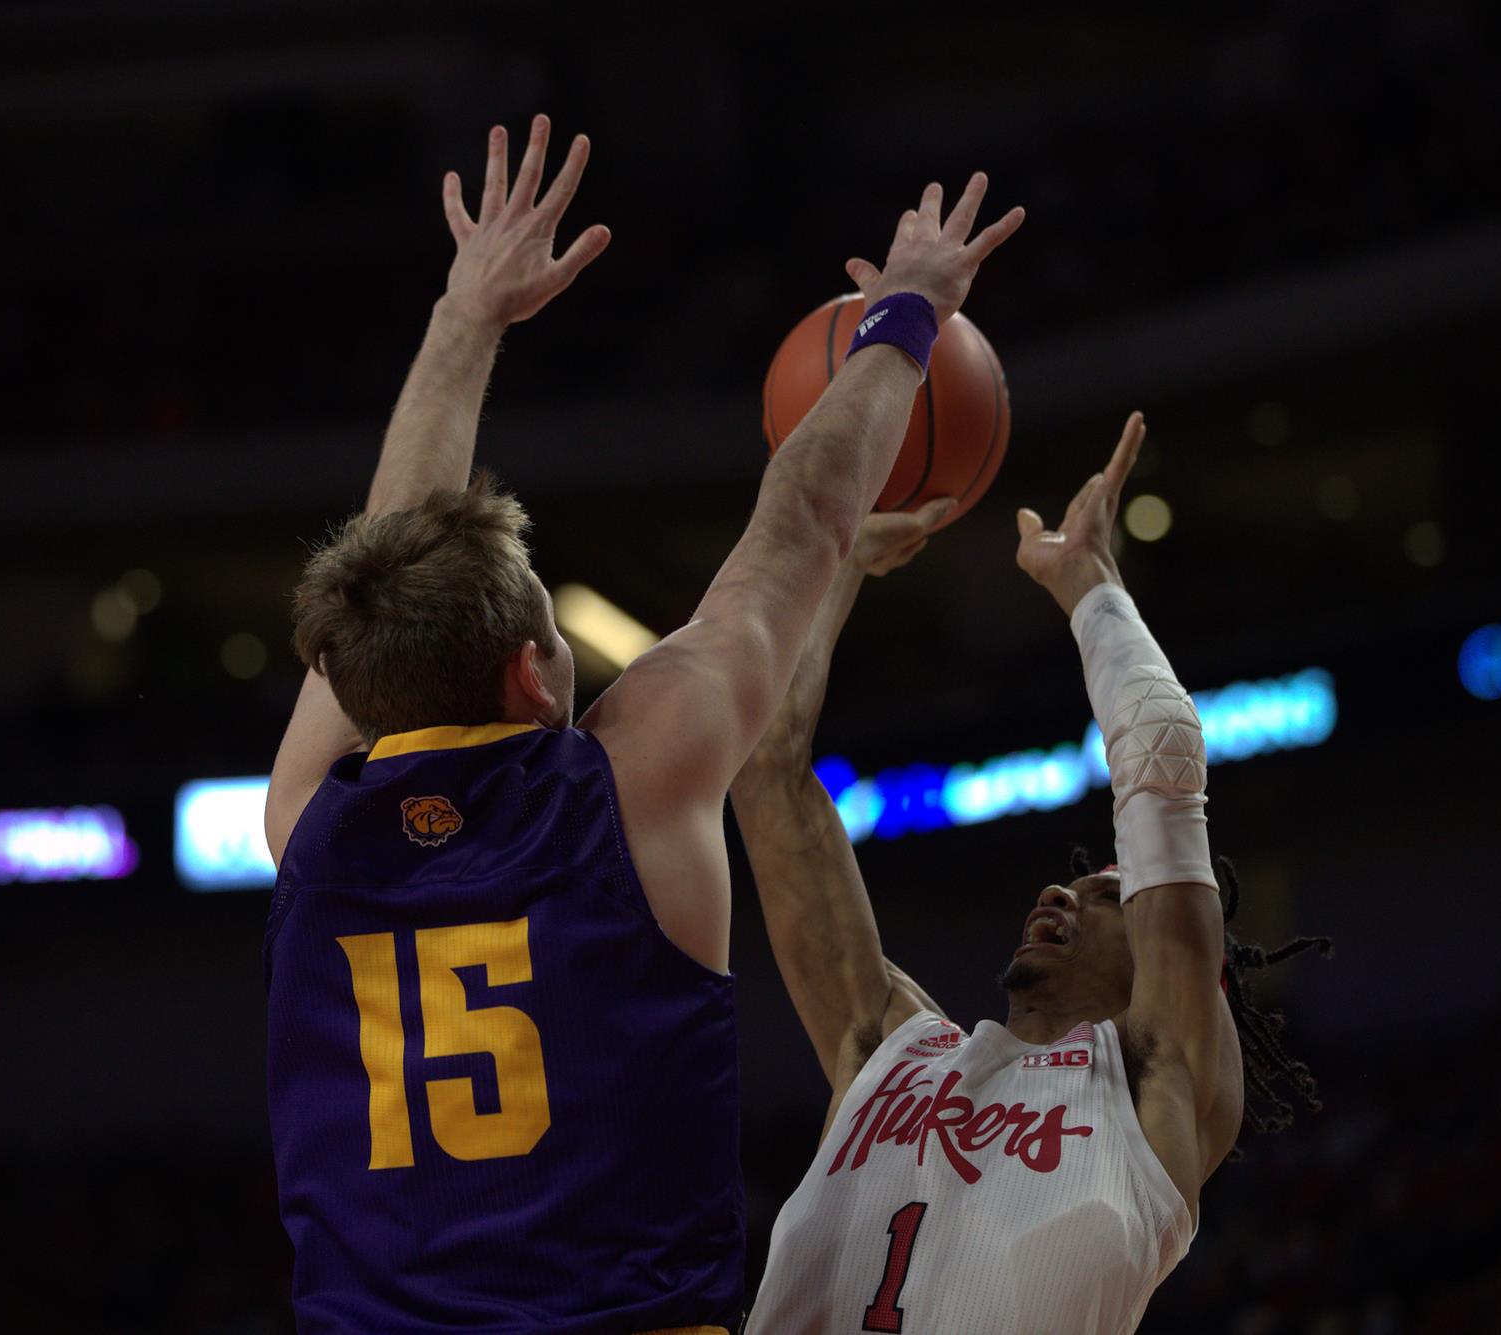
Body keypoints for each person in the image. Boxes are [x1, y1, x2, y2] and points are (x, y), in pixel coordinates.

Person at [259, 113, 1025, 1334]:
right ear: (530, 676)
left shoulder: (307, 823)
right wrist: (908, 313)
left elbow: (380, 565)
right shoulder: (628, 784)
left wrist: (463, 319)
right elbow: (807, 514)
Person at [732, 415, 1330, 1333]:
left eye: (1108, 895)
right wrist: (834, 553)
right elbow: (765, 762)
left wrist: (1090, 585)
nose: (1063, 892)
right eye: (1075, 884)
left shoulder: (1153, 1083)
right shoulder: (886, 1050)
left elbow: (1163, 762)